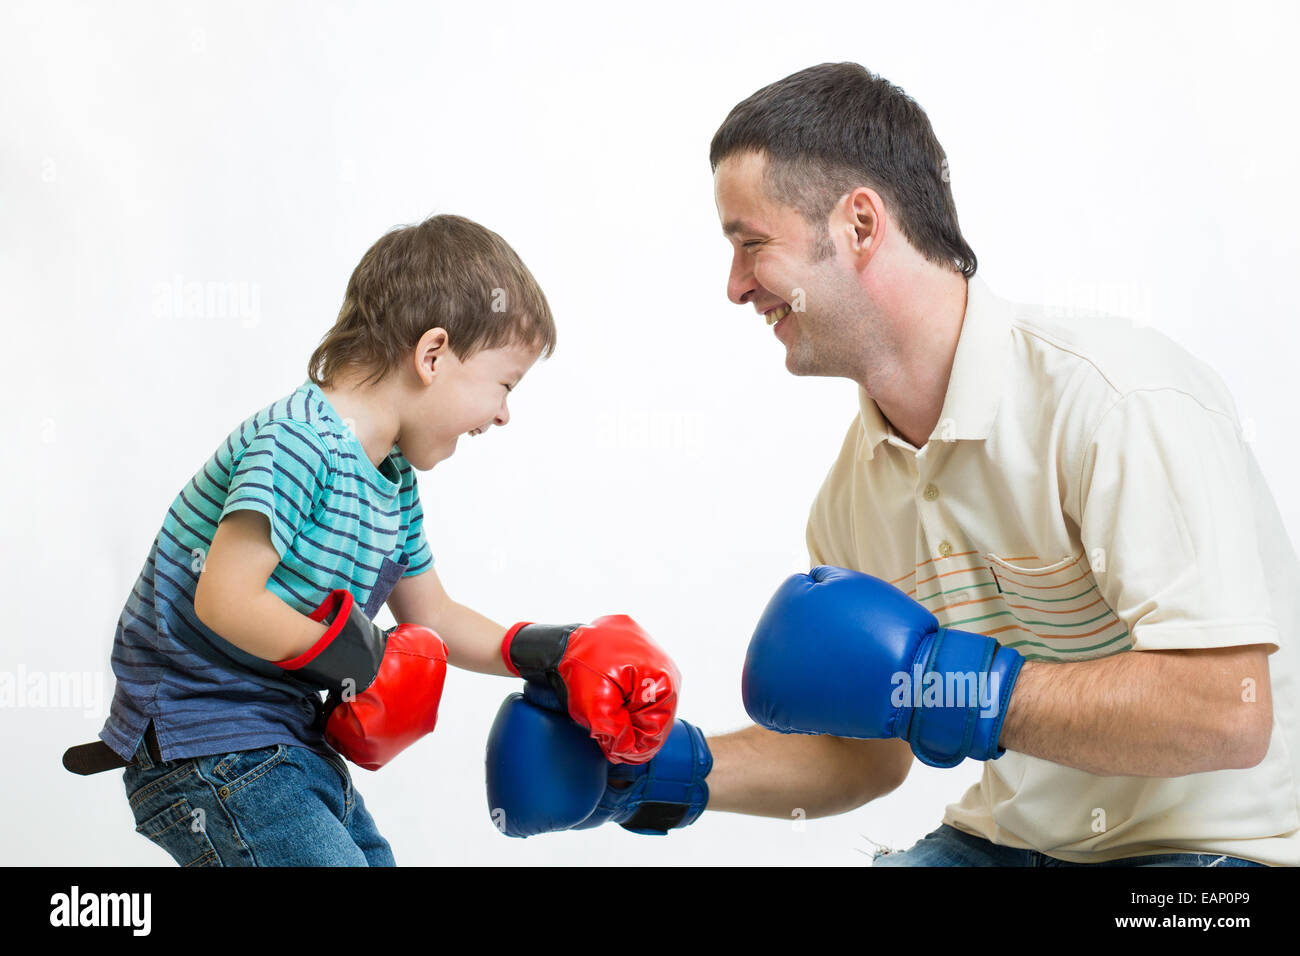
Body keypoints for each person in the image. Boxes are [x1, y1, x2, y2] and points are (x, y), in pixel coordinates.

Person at [484, 63, 1298, 867]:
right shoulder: (851, 496)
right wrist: (657, 776)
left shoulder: (1116, 400)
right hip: (1005, 846)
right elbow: (867, 756)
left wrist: (952, 685)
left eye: (751, 245)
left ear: (860, 226)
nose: (735, 287)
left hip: (1213, 858)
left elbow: (1228, 712)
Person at [64, 213, 680, 866]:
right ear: (433, 355)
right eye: (505, 383)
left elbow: (434, 617)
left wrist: (550, 651)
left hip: (286, 747)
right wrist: (357, 657)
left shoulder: (392, 481)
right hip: (207, 746)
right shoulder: (298, 443)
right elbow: (226, 600)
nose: (504, 413)